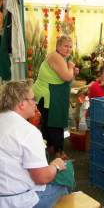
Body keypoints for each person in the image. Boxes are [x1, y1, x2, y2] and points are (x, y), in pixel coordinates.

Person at [0, 80, 68, 208]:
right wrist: (56, 166)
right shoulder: (28, 131)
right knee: (66, 178)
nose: (36, 104)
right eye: (33, 99)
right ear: (21, 103)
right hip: (18, 201)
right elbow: (41, 178)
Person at [33, 35, 79, 159]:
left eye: (70, 46)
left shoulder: (60, 57)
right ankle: (58, 152)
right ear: (58, 46)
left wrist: (71, 70)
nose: (68, 49)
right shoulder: (56, 57)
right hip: (48, 95)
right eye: (65, 46)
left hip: (52, 95)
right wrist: (70, 68)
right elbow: (67, 77)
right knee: (54, 124)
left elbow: (67, 77)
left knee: (49, 123)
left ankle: (51, 148)